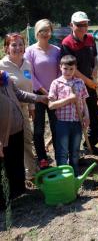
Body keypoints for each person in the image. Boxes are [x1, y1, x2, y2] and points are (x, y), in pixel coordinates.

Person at [0, 70, 46, 209]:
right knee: (5, 166)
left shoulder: (5, 79)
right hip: (3, 136)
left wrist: (39, 98)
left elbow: (19, 94)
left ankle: (19, 191)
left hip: (17, 128)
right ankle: (4, 201)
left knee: (16, 162)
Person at [60, 11, 98, 155]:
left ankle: (90, 144)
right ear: (71, 25)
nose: (83, 27)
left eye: (85, 24)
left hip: (90, 84)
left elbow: (95, 58)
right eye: (79, 25)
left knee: (96, 117)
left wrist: (95, 70)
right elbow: (72, 68)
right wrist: (88, 81)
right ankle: (74, 152)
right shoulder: (67, 43)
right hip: (74, 87)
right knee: (77, 119)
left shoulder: (90, 39)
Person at [0, 33, 38, 179]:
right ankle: (12, 177)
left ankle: (30, 173)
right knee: (10, 144)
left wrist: (31, 107)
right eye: (14, 45)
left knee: (27, 139)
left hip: (23, 108)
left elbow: (29, 87)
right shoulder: (2, 66)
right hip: (6, 112)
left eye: (21, 44)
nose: (18, 48)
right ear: (7, 48)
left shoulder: (27, 63)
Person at [25, 19, 60, 169]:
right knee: (38, 129)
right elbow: (29, 74)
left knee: (57, 128)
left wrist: (52, 93)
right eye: (42, 31)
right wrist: (44, 93)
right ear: (37, 33)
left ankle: (61, 156)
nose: (45, 34)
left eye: (48, 30)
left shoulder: (57, 50)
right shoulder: (30, 51)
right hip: (38, 95)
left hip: (55, 96)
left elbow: (60, 71)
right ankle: (42, 158)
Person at [48, 55, 89, 177]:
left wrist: (87, 116)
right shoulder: (56, 83)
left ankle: (74, 175)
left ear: (75, 68)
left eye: (71, 69)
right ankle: (63, 176)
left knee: (75, 151)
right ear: (60, 67)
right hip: (62, 123)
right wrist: (68, 99)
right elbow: (51, 105)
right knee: (63, 152)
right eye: (65, 68)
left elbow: (84, 102)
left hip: (77, 122)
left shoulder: (79, 82)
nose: (68, 72)